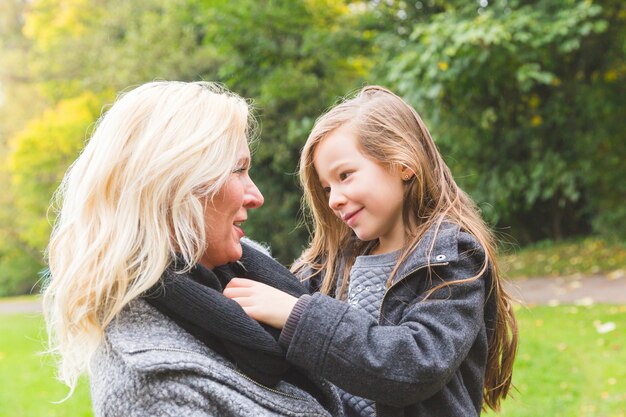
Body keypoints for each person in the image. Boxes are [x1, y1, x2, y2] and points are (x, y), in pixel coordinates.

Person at [42, 81, 342, 417]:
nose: (256, 196)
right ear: (173, 187)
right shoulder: (151, 387)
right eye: (239, 170)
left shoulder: (248, 273)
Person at [223, 85, 519, 417]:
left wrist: (299, 316)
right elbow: (272, 299)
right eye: (326, 188)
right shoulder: (330, 263)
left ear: (402, 163)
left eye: (345, 176)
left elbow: (416, 364)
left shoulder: (452, 259)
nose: (333, 198)